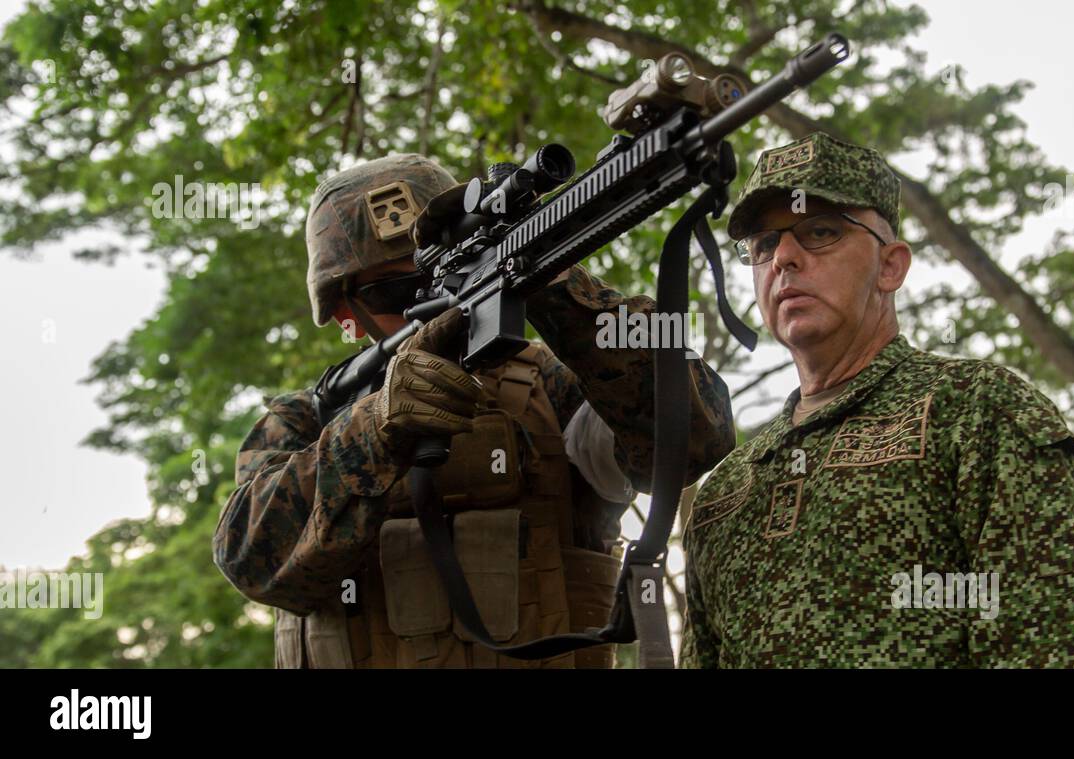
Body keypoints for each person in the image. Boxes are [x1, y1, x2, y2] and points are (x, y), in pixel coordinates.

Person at [213, 153, 735, 668]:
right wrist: (376, 429)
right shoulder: (305, 421)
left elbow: (695, 437)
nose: (425, 298)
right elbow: (249, 557)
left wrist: (558, 290)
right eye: (394, 290)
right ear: (346, 314)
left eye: (436, 277)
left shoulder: (552, 388)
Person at [679, 132, 1074, 668]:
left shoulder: (979, 412)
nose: (784, 258)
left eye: (820, 231)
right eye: (763, 245)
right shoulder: (726, 490)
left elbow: (1057, 653)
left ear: (890, 266)